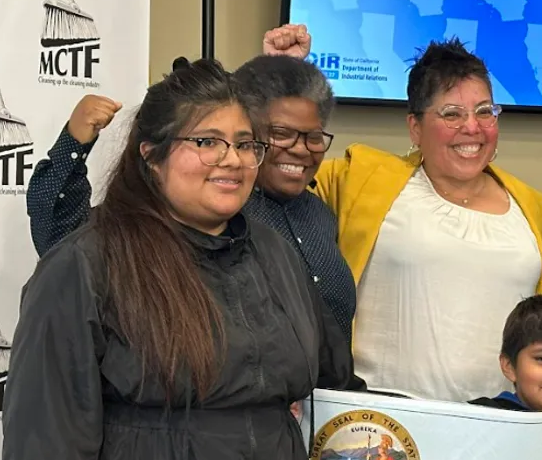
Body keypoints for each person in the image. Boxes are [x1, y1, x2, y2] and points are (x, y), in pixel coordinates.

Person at [0, 58, 359, 460]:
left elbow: (320, 375)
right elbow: (45, 439)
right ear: (151, 154)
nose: (233, 159)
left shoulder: (274, 253)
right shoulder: (88, 264)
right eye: (207, 141)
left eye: (246, 144)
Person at [264, 25, 542, 403]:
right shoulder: (362, 177)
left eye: (485, 112)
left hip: (499, 423)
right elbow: (271, 167)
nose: (472, 127)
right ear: (415, 126)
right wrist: (280, 82)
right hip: (377, 423)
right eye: (451, 113)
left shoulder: (532, 206)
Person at [25, 54, 356, 340]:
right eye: (208, 142)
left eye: (313, 137)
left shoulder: (315, 217)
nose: (300, 148)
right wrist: (73, 143)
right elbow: (60, 235)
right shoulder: (206, 215)